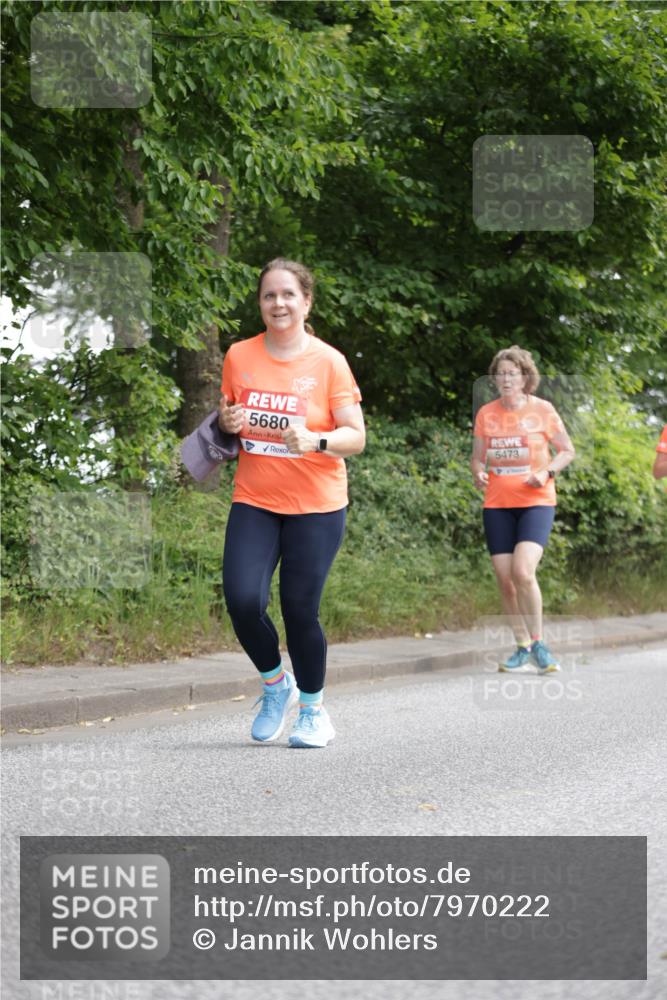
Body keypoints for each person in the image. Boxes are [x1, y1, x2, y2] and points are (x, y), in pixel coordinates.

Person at [218, 258, 365, 747]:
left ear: (306, 302)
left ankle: (314, 710)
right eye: (268, 296)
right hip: (256, 498)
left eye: (287, 295)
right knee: (242, 600)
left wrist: (317, 442)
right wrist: (228, 422)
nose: (277, 303)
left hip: (318, 504)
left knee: (300, 609)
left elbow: (356, 437)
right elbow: (226, 420)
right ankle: (274, 684)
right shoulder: (239, 355)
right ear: (260, 304)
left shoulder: (328, 361)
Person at [471, 346, 575, 673]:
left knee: (523, 571)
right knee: (505, 580)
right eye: (500, 373)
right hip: (498, 504)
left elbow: (566, 451)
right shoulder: (487, 413)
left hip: (536, 502)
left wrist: (547, 472)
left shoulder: (543, 410)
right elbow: (477, 458)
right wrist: (477, 472)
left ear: (525, 377)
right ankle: (522, 646)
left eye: (512, 373)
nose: (505, 379)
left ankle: (539, 643)